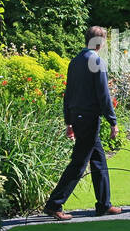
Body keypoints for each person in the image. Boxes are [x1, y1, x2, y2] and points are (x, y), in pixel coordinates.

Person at [44, 26, 121, 219]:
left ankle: (104, 204)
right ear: (100, 41)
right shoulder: (96, 61)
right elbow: (104, 95)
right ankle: (55, 204)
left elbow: (68, 94)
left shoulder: (76, 61)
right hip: (88, 118)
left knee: (98, 160)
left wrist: (68, 121)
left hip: (78, 116)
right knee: (79, 163)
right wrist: (113, 121)